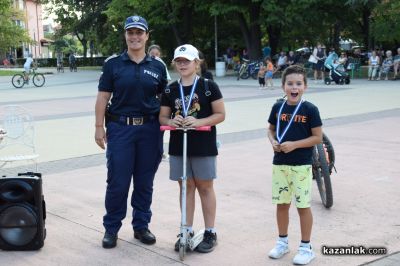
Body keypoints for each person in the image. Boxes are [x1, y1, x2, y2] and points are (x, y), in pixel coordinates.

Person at [95, 15, 167, 249]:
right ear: (125, 35)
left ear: (147, 35)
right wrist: (98, 127)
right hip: (120, 129)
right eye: (130, 32)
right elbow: (103, 97)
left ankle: (141, 226)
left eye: (139, 32)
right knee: (118, 182)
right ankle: (111, 229)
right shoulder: (113, 64)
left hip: (150, 130)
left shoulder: (157, 66)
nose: (135, 37)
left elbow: (165, 99)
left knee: (145, 182)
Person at [159, 44, 225, 253]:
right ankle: (185, 229)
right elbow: (162, 116)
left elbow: (220, 114)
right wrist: (172, 121)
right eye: (179, 61)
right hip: (179, 145)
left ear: (197, 63)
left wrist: (199, 122)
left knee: (205, 186)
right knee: (185, 186)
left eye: (187, 61)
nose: (182, 64)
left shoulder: (208, 86)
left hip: (203, 145)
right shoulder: (170, 88)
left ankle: (210, 231)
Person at [267, 65, 322, 265]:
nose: (294, 87)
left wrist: (295, 145)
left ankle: (306, 247)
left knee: (303, 205)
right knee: (281, 204)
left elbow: (317, 137)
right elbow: (270, 130)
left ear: (305, 86)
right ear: (283, 86)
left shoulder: (310, 109)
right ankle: (282, 242)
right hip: (280, 163)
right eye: (290, 83)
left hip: (301, 165)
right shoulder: (277, 107)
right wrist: (273, 141)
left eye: (298, 83)